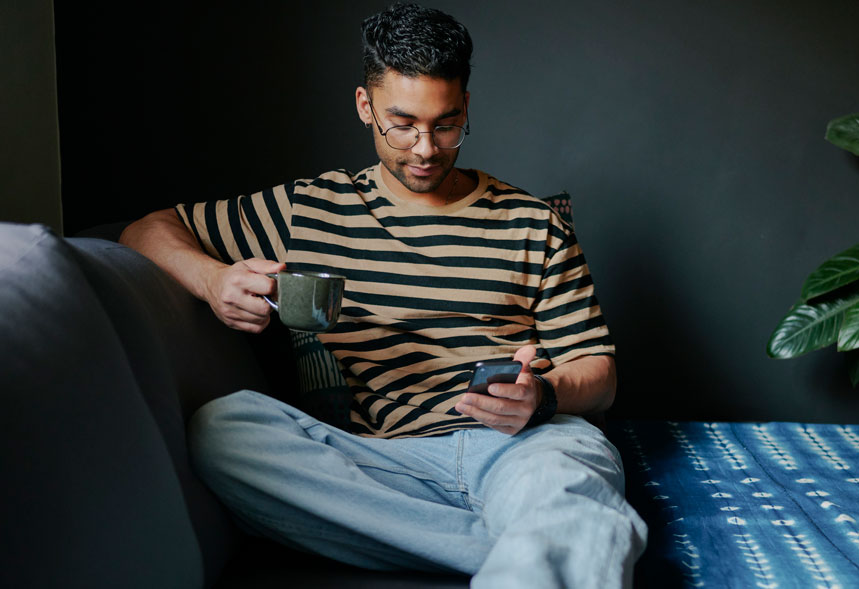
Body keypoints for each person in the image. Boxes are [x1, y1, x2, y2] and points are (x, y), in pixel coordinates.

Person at [119, 3, 647, 587]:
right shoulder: (311, 208)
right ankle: (531, 538)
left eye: (446, 124)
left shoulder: (532, 222)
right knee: (222, 430)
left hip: (525, 446)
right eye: (403, 124)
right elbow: (146, 231)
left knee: (569, 481)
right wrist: (212, 279)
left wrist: (542, 397)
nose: (425, 148)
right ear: (365, 107)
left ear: (466, 106)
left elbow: (600, 373)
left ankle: (542, 526)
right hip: (384, 463)